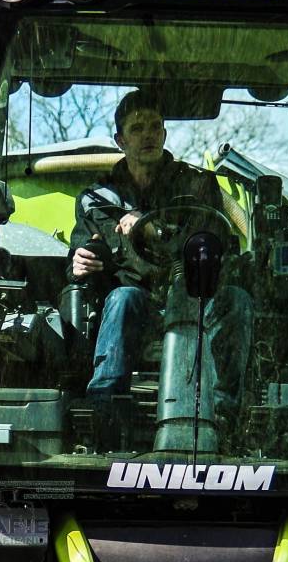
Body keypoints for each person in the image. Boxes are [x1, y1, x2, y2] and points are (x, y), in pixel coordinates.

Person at [71, 89, 249, 451]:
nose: (148, 134)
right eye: (137, 129)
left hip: (199, 300)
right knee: (122, 298)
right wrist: (77, 261)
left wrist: (155, 231)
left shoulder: (198, 186)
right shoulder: (97, 198)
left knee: (237, 299)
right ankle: (107, 419)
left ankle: (227, 419)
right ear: (120, 140)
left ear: (165, 133)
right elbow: (85, 250)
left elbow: (213, 246)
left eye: (155, 126)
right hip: (140, 309)